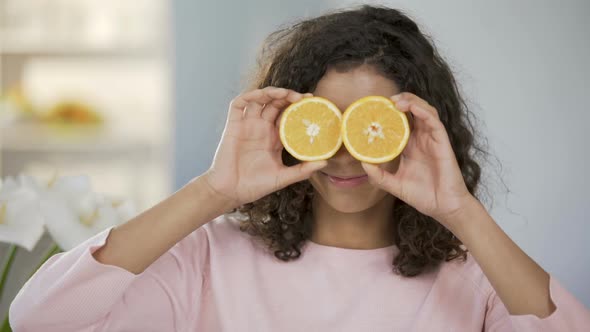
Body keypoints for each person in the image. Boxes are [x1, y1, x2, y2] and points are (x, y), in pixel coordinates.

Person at [9, 5, 590, 332]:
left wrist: (461, 210)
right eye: (321, 122)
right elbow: (41, 321)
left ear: (418, 132)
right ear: (288, 127)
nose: (342, 152)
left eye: (368, 126)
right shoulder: (209, 259)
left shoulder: (476, 277)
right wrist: (214, 192)